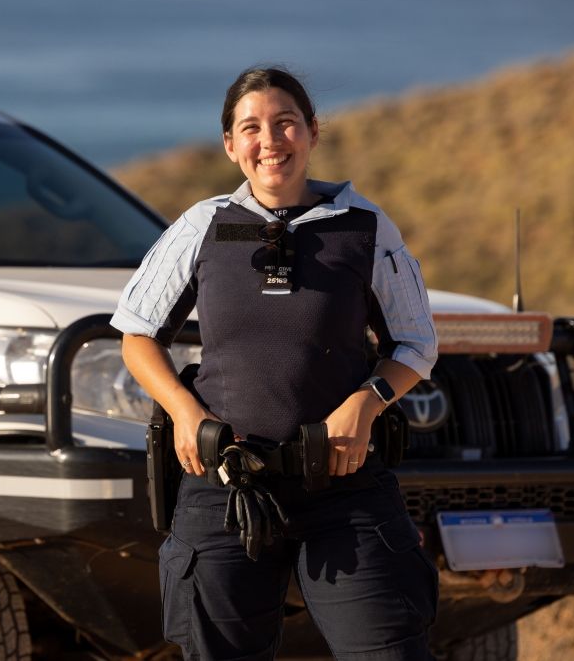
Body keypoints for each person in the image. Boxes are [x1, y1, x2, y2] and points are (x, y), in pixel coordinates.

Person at [111, 67, 440, 660]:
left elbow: (416, 345)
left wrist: (365, 406)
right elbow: (136, 332)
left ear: (312, 132)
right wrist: (185, 413)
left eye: (286, 123)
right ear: (231, 145)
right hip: (225, 484)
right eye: (252, 128)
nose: (271, 141)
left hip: (345, 492)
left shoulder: (365, 228)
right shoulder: (202, 225)